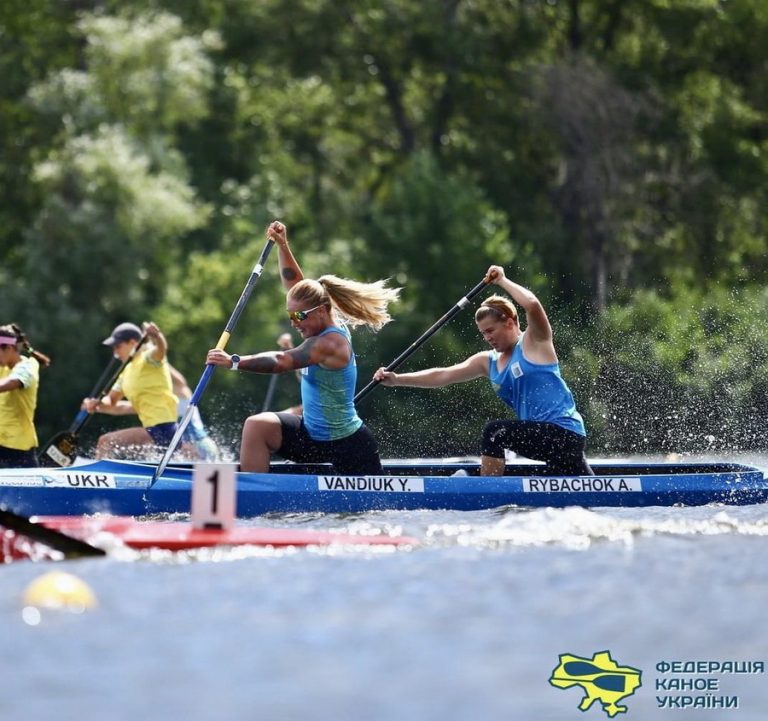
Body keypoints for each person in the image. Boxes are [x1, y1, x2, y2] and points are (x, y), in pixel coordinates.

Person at [206, 220, 400, 474]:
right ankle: (254, 497)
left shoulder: (330, 343)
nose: (293, 323)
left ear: (320, 312)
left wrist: (234, 361)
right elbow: (295, 284)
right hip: (311, 435)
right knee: (256, 426)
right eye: (290, 316)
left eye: (298, 317)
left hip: (347, 446)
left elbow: (282, 361)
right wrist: (282, 245)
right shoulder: (316, 313)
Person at [374, 265, 593, 477]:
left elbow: (533, 305)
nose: (487, 338)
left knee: (495, 432)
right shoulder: (487, 361)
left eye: (490, 330)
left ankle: (485, 492)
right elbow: (443, 375)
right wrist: (396, 379)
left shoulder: (534, 341)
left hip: (565, 433)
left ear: (509, 323)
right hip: (545, 440)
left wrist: (502, 280)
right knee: (587, 490)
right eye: (483, 334)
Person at [83, 321, 178, 459]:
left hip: (165, 427)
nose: (115, 352)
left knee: (105, 442)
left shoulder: (148, 357)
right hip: (152, 430)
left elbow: (161, 350)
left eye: (118, 346)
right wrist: (97, 404)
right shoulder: (125, 372)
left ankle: (99, 478)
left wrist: (157, 336)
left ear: (133, 343)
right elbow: (111, 401)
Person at [0, 324, 51, 468]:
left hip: (18, 448)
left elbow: (13, 381)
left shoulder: (28, 366)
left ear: (9, 349)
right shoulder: (2, 366)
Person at [169, 364, 220, 461]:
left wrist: (160, 361)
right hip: (206, 446)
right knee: (221, 476)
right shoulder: (166, 401)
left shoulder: (182, 397)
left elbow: (180, 381)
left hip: (198, 446)